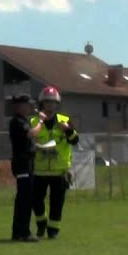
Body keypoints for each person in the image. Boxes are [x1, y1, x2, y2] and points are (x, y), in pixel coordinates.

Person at [29, 86, 79, 240]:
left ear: (57, 105)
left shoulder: (65, 120)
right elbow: (28, 140)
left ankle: (53, 230)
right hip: (39, 169)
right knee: (36, 201)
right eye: (47, 103)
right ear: (42, 104)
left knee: (57, 203)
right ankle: (41, 222)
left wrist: (68, 130)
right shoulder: (34, 121)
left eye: (53, 103)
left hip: (60, 170)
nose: (50, 106)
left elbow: (75, 141)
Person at [7, 93, 39, 242]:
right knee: (24, 198)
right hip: (22, 164)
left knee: (26, 198)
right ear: (20, 106)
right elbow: (31, 134)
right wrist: (42, 122)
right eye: (27, 104)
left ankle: (19, 232)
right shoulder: (17, 121)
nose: (30, 107)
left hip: (28, 163)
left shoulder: (22, 121)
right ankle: (23, 232)